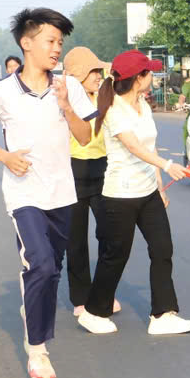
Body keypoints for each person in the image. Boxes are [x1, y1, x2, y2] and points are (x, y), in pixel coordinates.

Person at [0, 9, 95, 378]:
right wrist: (5, 157)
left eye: (60, 42)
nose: (56, 49)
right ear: (26, 43)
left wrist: (66, 106)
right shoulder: (0, 92)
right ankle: (37, 350)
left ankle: (30, 307)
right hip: (24, 194)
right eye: (50, 41)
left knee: (52, 273)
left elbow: (85, 137)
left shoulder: (69, 87)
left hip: (61, 193)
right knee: (41, 265)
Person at [80, 50, 190, 336]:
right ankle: (93, 312)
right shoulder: (113, 109)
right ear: (137, 78)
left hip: (147, 193)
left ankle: (163, 315)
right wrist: (167, 165)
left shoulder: (143, 104)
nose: (152, 76)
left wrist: (158, 185)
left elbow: (149, 146)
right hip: (120, 195)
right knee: (116, 256)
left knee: (162, 249)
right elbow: (133, 146)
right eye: (149, 72)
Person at [62, 46, 120, 318]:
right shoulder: (63, 100)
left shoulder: (104, 97)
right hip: (71, 171)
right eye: (93, 71)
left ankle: (103, 292)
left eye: (99, 71)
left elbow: (115, 74)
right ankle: (81, 297)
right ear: (78, 75)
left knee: (110, 234)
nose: (98, 75)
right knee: (75, 241)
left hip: (103, 170)